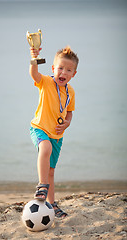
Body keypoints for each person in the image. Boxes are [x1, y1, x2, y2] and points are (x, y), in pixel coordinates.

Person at [29, 46, 79, 218]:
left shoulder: (70, 91)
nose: (63, 72)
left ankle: (52, 203)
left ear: (74, 74)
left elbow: (69, 112)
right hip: (39, 127)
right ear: (53, 69)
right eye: (60, 68)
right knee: (45, 148)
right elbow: (34, 75)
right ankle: (42, 185)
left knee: (51, 171)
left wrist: (67, 123)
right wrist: (34, 59)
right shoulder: (46, 82)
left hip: (57, 135)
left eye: (68, 69)